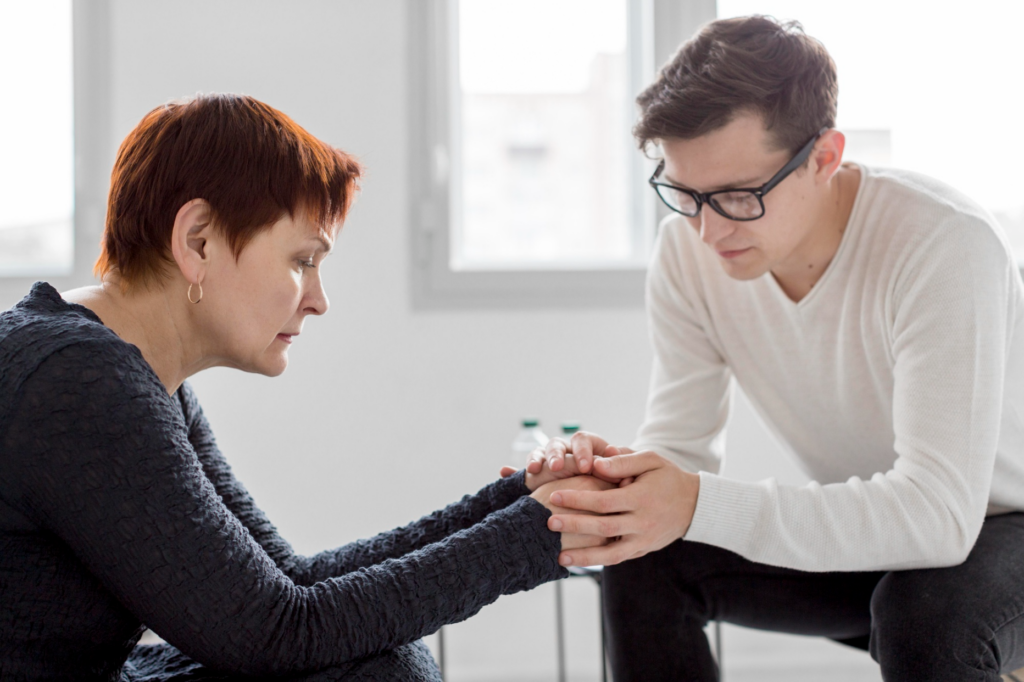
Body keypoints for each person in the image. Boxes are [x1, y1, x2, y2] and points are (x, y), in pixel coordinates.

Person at [0, 93, 611, 681]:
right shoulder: (78, 381)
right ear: (198, 241)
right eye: (301, 261)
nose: (318, 301)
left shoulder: (136, 374)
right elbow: (273, 629)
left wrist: (522, 500)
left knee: (383, 666)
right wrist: (539, 535)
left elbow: (286, 581)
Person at [518, 15, 1024, 682]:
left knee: (925, 610)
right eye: (687, 196)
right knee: (641, 548)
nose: (706, 231)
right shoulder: (688, 255)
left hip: (998, 524)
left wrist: (693, 500)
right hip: (890, 532)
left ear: (825, 156)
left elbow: (937, 516)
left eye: (736, 196)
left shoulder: (942, 245)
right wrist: (617, 488)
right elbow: (680, 450)